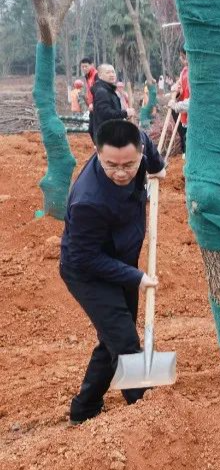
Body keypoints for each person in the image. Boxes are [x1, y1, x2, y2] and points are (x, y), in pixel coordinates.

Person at [59, 118, 166, 423]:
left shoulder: (137, 147)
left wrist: (156, 166)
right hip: (89, 272)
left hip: (120, 259)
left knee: (112, 340)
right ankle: (146, 415)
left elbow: (149, 148)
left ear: (139, 152)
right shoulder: (88, 200)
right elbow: (84, 258)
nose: (120, 172)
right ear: (97, 153)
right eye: (111, 166)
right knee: (124, 341)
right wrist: (137, 277)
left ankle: (85, 408)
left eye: (128, 165)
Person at [89, 64, 136, 142]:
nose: (111, 75)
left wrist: (124, 116)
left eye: (113, 72)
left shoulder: (108, 90)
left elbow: (112, 112)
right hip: (106, 135)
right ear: (100, 75)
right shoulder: (102, 92)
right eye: (108, 72)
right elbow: (105, 113)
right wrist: (125, 113)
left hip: (111, 133)